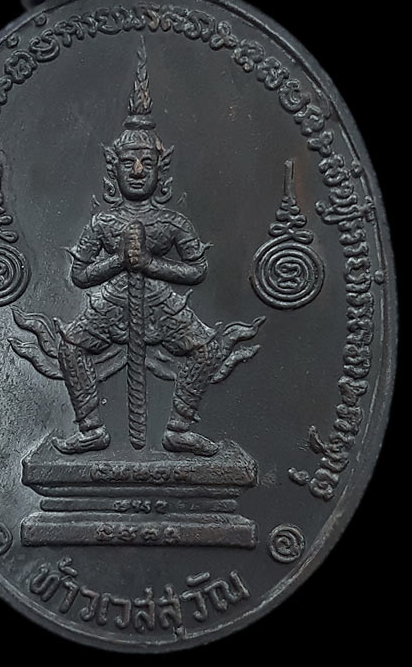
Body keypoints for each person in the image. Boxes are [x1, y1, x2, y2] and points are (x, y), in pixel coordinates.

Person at [53, 39, 261, 456]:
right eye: (128, 162)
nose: (136, 170)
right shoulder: (103, 223)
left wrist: (149, 263)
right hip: (114, 301)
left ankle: (179, 427)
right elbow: (80, 275)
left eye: (146, 163)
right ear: (113, 169)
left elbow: (196, 270)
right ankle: (91, 427)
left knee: (207, 348)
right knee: (70, 347)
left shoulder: (173, 223)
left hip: (161, 301)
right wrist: (117, 261)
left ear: (160, 170)